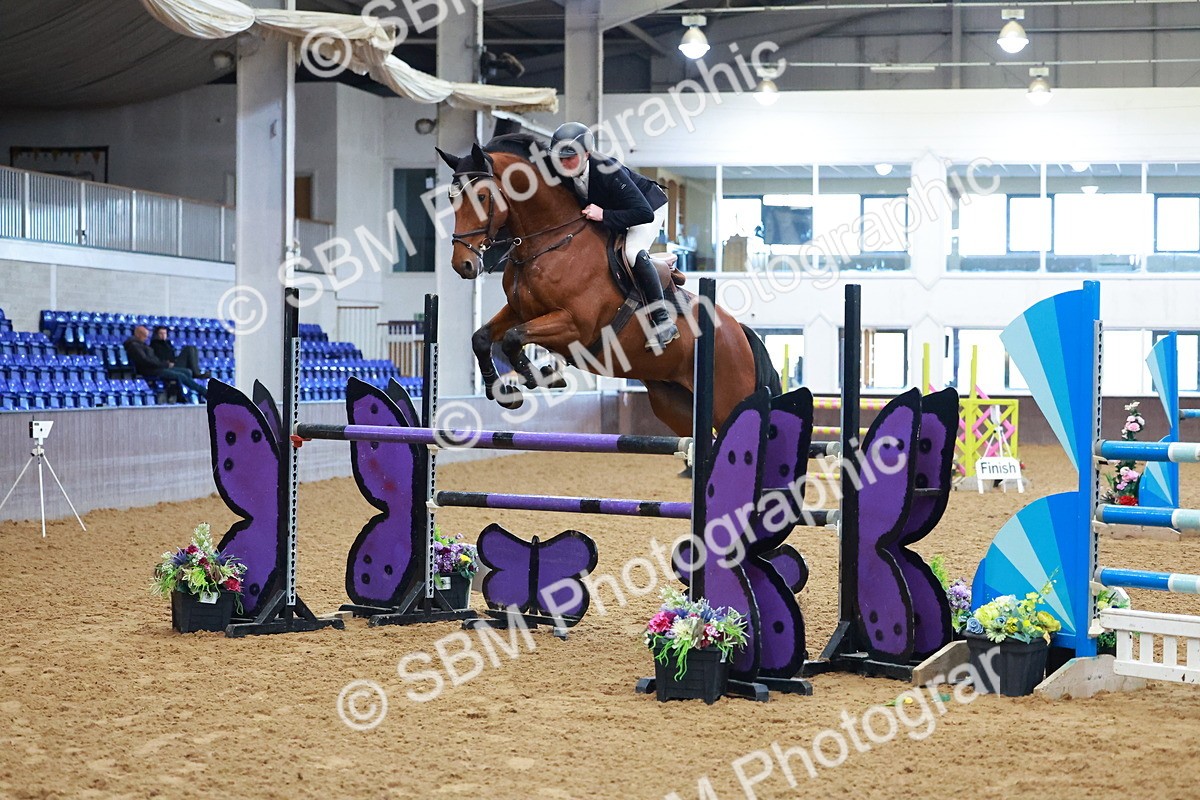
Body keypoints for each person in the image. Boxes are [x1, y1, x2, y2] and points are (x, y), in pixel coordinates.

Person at [549, 122, 679, 350]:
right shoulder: (563, 172)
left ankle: (662, 321)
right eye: (559, 158)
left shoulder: (607, 170)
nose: (564, 163)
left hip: (648, 207)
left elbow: (643, 213)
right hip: (615, 211)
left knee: (631, 252)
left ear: (587, 154)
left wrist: (604, 215)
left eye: (570, 158)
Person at [124, 325, 208, 400]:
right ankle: (204, 392)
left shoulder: (141, 345)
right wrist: (164, 364)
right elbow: (146, 361)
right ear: (138, 335)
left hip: (157, 368)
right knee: (181, 375)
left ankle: (179, 393)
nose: (146, 338)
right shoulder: (134, 346)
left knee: (186, 372)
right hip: (152, 370)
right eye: (144, 336)